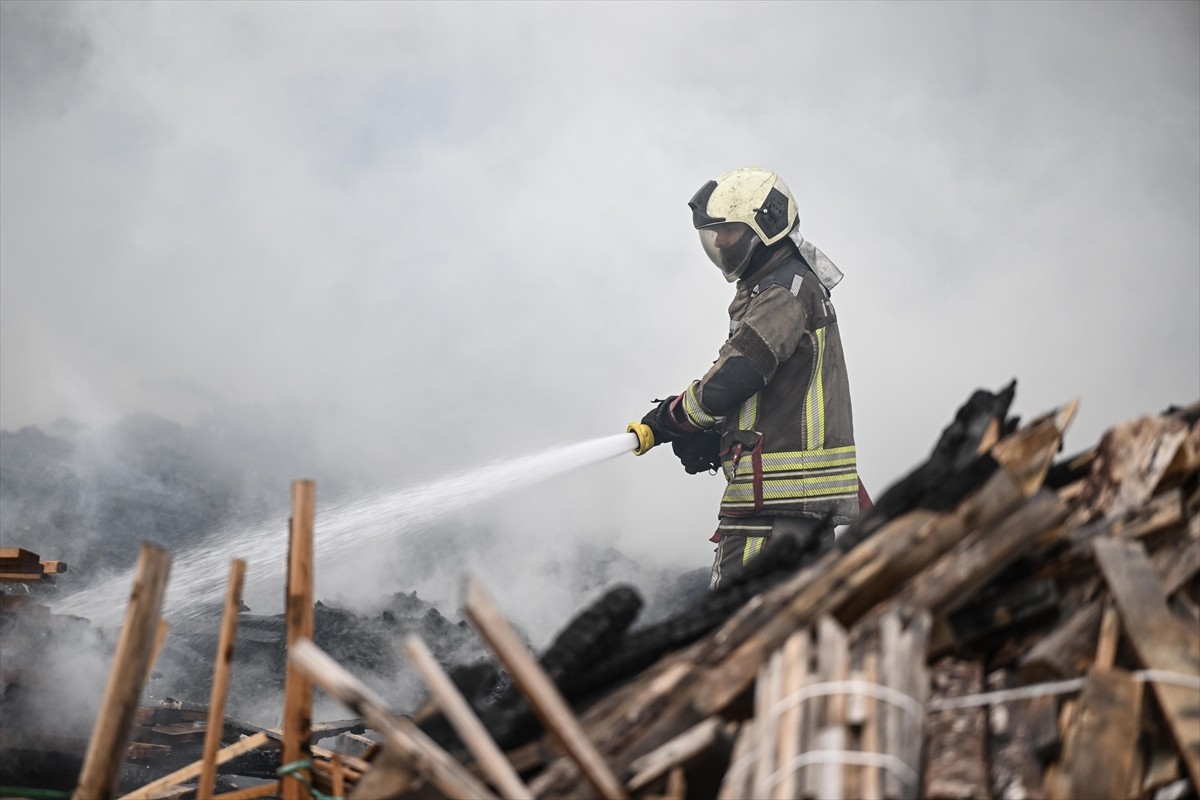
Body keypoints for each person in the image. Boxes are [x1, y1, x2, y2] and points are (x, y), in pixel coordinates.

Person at [636, 167, 860, 589]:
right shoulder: (785, 287)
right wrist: (720, 432)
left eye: (731, 231)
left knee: (735, 629)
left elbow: (738, 373)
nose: (720, 242)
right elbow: (772, 392)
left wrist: (670, 419)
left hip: (775, 508)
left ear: (767, 229)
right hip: (792, 505)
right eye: (715, 232)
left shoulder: (782, 293)